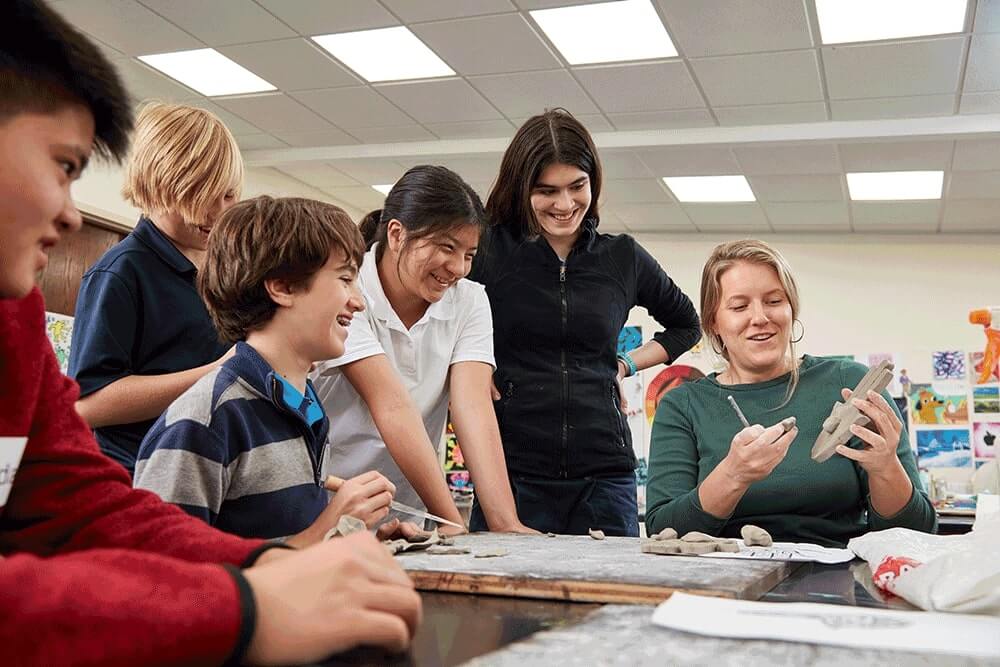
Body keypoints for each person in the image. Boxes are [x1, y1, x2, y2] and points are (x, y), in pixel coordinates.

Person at [0, 1, 419, 663]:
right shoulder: (121, 274)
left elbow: (76, 501)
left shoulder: (12, 305)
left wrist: (271, 559)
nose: (71, 213)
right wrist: (241, 606)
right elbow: (95, 409)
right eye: (64, 166)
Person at [469, 109, 701, 536]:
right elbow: (433, 315)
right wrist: (465, 370)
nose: (565, 204)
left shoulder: (622, 257)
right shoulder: (487, 251)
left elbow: (687, 325)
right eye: (547, 191)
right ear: (522, 189)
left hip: (604, 475)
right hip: (512, 472)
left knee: (615, 601)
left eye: (577, 186)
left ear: (593, 180)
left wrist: (625, 364)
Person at [134, 195, 402, 544]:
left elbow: (287, 549)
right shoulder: (206, 420)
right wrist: (328, 526)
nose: (359, 301)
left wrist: (359, 542)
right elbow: (163, 582)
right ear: (282, 287)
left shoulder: (305, 406)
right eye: (345, 279)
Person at [645, 240, 936, 547]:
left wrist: (885, 467)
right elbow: (664, 531)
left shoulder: (848, 383)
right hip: (724, 581)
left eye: (773, 301)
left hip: (837, 578)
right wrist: (733, 475)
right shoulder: (684, 404)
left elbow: (917, 533)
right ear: (713, 321)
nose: (760, 317)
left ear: (791, 309)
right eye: (739, 306)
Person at [312, 165, 531, 534]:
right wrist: (450, 519)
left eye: (469, 254)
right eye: (447, 247)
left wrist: (506, 524)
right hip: (327, 508)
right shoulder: (348, 289)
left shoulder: (469, 301)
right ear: (397, 234)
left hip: (406, 516)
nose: (458, 268)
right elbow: (391, 405)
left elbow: (473, 408)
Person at [68, 101, 243, 476]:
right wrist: (217, 372)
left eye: (228, 196)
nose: (220, 212)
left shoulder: (219, 268)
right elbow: (89, 404)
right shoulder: (121, 272)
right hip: (141, 476)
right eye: (205, 194)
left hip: (204, 469)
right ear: (163, 185)